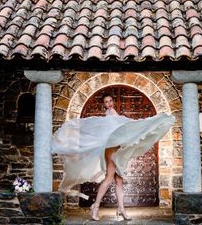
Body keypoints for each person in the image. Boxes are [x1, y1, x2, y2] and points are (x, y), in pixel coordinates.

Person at [51, 93, 175, 221]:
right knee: (110, 177)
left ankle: (121, 209)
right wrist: (144, 125)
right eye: (106, 102)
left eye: (110, 101)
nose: (109, 103)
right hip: (111, 149)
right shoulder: (109, 114)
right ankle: (95, 206)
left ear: (113, 102)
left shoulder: (113, 114)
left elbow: (122, 129)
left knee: (119, 180)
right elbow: (121, 128)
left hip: (115, 148)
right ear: (103, 104)